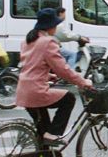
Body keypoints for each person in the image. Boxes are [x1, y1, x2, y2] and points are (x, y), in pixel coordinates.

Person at [16, 8, 93, 145]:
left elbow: (31, 66)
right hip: (36, 92)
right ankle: (55, 134)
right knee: (68, 98)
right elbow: (63, 69)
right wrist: (82, 82)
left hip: (23, 90)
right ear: (50, 26)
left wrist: (47, 75)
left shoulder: (28, 41)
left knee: (43, 134)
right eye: (55, 25)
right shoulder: (47, 42)